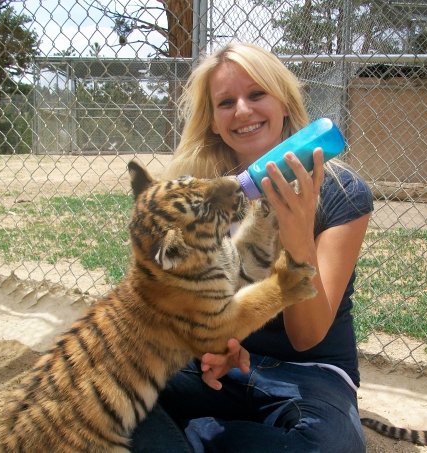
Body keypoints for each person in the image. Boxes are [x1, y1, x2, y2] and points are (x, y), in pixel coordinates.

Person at [132, 42, 373, 452]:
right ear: (212, 121)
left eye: (257, 94)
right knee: (108, 386)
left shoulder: (342, 193)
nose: (242, 110)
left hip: (310, 374)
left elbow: (307, 337)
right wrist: (217, 344)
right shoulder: (197, 193)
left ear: (284, 103)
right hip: (221, 367)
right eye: (226, 102)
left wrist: (297, 236)